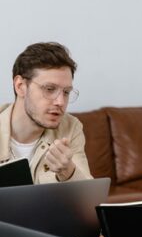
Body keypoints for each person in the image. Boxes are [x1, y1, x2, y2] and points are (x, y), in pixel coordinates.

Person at [0, 42, 92, 183]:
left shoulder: (71, 127)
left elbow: (88, 199)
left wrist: (68, 171)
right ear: (20, 86)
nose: (60, 102)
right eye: (49, 89)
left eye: (66, 92)